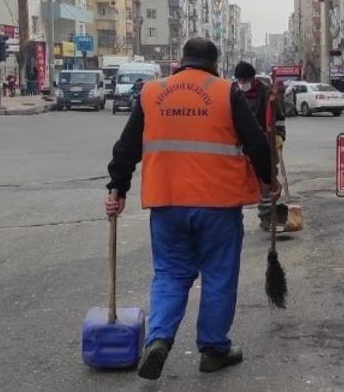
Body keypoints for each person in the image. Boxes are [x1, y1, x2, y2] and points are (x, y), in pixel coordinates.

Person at [105, 38, 277, 380]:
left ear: (182, 61)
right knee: (218, 275)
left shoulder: (152, 92)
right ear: (214, 63)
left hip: (167, 202)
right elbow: (257, 143)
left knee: (170, 274)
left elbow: (126, 147)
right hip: (218, 205)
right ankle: (213, 350)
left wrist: (118, 187)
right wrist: (268, 180)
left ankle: (158, 339)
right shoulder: (225, 92)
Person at [233, 61, 286, 232]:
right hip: (239, 146)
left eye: (245, 80)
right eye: (240, 80)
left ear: (252, 78)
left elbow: (278, 117)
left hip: (263, 143)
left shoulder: (266, 93)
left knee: (267, 183)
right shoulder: (233, 92)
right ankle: (234, 219)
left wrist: (279, 135)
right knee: (238, 183)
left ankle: (267, 217)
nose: (243, 83)